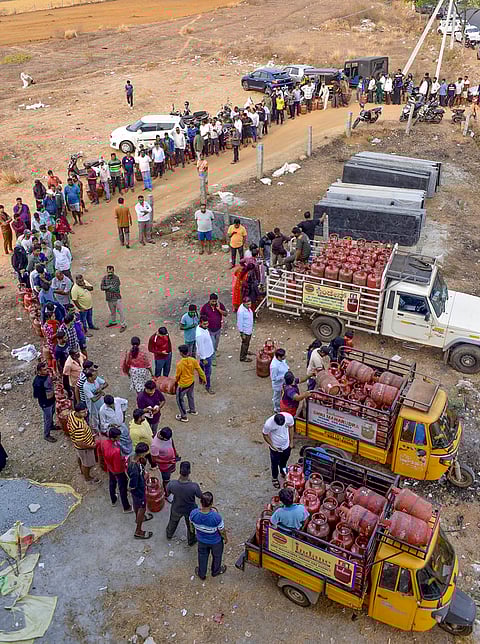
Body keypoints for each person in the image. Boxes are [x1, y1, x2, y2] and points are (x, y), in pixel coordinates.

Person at [190, 491, 227, 579]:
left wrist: (194, 532)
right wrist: (225, 538)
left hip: (201, 540)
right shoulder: (216, 517)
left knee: (202, 556)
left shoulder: (193, 514)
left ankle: (202, 574)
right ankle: (216, 571)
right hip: (216, 542)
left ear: (201, 502)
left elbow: (191, 526)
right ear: (212, 503)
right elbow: (222, 531)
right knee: (217, 556)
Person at [166, 461, 201, 545]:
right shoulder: (194, 486)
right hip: (190, 510)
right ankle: (191, 540)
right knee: (190, 527)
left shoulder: (172, 484)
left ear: (179, 471)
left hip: (176, 508)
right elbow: (200, 496)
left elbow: (167, 494)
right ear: (189, 472)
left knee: (173, 522)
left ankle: (169, 534)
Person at [99, 427, 133, 512]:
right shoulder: (116, 451)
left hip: (110, 467)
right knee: (122, 488)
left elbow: (101, 453)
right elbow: (118, 468)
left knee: (112, 483)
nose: (119, 438)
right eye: (118, 437)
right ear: (114, 437)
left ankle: (113, 499)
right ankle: (126, 507)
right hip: (118, 471)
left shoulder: (104, 442)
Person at [67, 402, 99, 482]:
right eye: (83, 412)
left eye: (86, 411)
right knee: (86, 464)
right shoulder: (78, 426)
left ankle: (82, 471)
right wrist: (92, 446)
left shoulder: (72, 414)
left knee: (81, 458)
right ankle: (87, 478)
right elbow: (80, 443)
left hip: (79, 445)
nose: (86, 413)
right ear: (77, 412)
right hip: (84, 447)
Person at [127, 442, 153, 539]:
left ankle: (139, 518)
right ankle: (138, 531)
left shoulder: (132, 457)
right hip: (139, 492)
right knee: (142, 508)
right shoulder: (134, 468)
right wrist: (144, 477)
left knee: (136, 505)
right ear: (142, 454)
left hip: (136, 492)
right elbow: (133, 486)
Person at [174, 344, 206, 422]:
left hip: (183, 384)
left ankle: (184, 416)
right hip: (191, 382)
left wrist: (176, 382)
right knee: (190, 396)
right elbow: (200, 370)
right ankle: (192, 410)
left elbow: (178, 376)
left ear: (181, 353)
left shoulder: (180, 364)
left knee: (179, 400)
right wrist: (204, 379)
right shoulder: (193, 360)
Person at [263, 412, 294, 488]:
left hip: (286, 446)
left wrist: (291, 442)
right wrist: (272, 446)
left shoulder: (288, 417)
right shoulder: (268, 424)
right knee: (274, 463)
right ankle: (274, 478)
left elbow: (291, 427)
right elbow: (265, 435)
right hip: (275, 448)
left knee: (284, 460)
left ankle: (283, 472)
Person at [32, 361, 58, 443]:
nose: (47, 370)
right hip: (45, 403)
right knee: (48, 418)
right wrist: (45, 395)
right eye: (44, 369)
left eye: (47, 368)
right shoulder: (37, 382)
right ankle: (46, 435)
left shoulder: (46, 375)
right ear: (39, 371)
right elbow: (36, 395)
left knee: (52, 412)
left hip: (51, 399)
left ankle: (51, 425)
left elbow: (49, 381)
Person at [150, 426, 177, 497]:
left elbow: (171, 441)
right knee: (166, 481)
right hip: (164, 466)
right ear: (162, 437)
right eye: (166, 439)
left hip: (171, 461)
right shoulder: (155, 445)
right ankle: (167, 495)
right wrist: (168, 462)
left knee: (169, 476)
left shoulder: (165, 434)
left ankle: (167, 486)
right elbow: (154, 459)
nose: (168, 440)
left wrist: (175, 451)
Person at [200, 293, 227, 360]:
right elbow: (201, 316)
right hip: (209, 329)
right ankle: (212, 358)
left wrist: (219, 309)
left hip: (218, 328)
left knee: (216, 342)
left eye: (215, 301)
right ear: (210, 300)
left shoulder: (219, 305)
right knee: (212, 343)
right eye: (213, 301)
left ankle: (214, 350)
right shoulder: (205, 307)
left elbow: (225, 314)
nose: (214, 303)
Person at [100, 265, 127, 332]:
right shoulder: (104, 278)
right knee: (112, 312)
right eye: (108, 272)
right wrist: (109, 287)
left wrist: (106, 288)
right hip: (109, 298)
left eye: (111, 272)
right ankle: (113, 321)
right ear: (107, 271)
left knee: (121, 312)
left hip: (116, 298)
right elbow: (101, 287)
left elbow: (114, 289)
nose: (110, 274)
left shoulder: (116, 278)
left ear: (113, 271)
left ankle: (123, 325)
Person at [195, 316, 215, 395]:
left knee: (201, 367)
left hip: (208, 352)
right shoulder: (199, 334)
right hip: (206, 355)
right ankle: (208, 386)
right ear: (200, 323)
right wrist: (203, 358)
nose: (206, 325)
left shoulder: (202, 328)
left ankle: (201, 379)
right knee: (208, 371)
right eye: (204, 324)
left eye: (207, 323)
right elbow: (201, 347)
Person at [270, 348, 289, 413]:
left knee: (281, 394)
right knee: (277, 397)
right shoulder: (274, 366)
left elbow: (284, 364)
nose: (285, 356)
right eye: (283, 356)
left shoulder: (281, 360)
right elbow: (274, 378)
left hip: (283, 382)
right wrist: (284, 376)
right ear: (279, 357)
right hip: (278, 385)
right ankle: (277, 408)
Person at [237, 296, 254, 362]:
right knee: (245, 344)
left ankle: (246, 352)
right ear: (243, 303)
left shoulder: (246, 308)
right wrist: (242, 333)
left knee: (247, 343)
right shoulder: (241, 311)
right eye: (248, 304)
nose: (249, 306)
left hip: (248, 329)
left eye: (250, 304)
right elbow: (239, 323)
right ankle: (243, 357)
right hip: (245, 331)